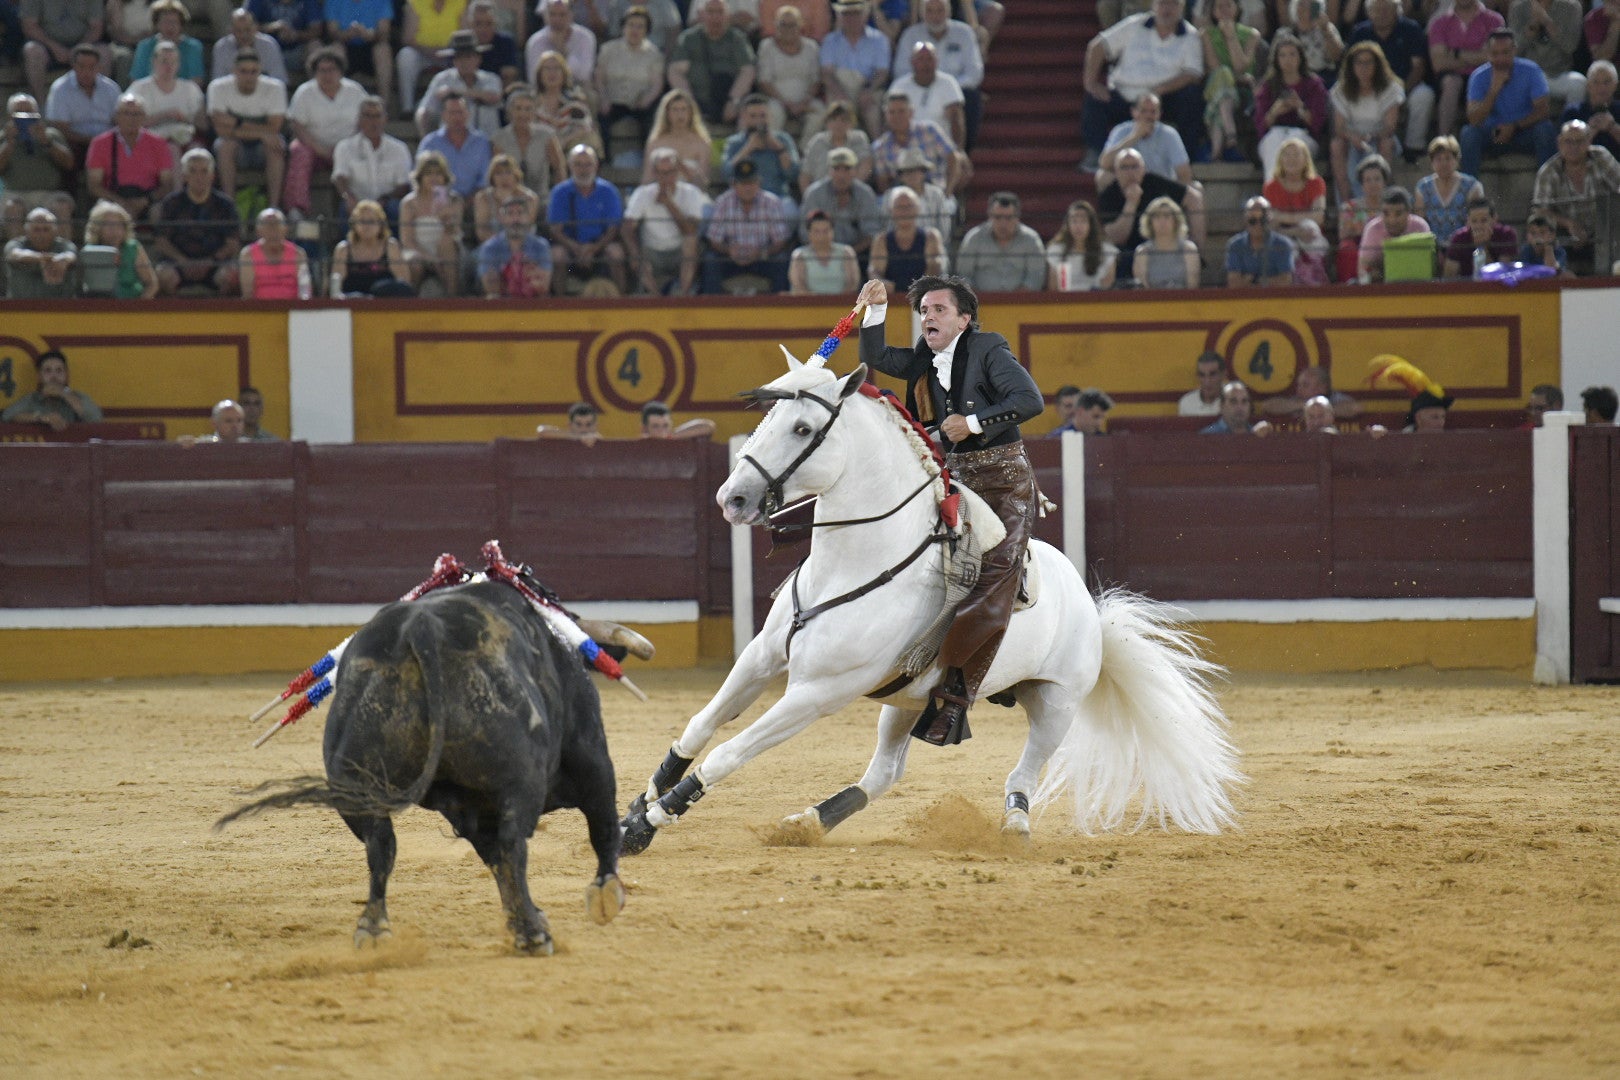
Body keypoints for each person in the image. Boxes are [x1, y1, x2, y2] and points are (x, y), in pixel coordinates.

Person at [854, 273, 1045, 746]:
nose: (928, 318)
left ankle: (955, 696)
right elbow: (876, 358)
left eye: (939, 310)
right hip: (954, 476)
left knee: (996, 571)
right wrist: (875, 310)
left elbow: (1029, 400)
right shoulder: (926, 357)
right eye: (923, 311)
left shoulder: (989, 349)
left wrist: (975, 422)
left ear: (965, 318)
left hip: (1004, 481)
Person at [1080, 0, 1205, 172]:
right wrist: (1091, 83)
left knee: (1192, 96)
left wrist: (1159, 90)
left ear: (1182, 7)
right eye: (1162, 3)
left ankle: (1186, 158)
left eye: (1173, 4)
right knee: (1095, 100)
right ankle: (1098, 153)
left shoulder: (1190, 35)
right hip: (1126, 95)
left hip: (1163, 99)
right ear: (1153, 5)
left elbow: (1193, 74)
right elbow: (1097, 47)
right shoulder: (1135, 24)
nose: (1167, 9)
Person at [1460, 28, 1557, 178]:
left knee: (1546, 129)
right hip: (1492, 134)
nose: (1500, 59)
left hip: (1523, 131)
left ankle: (1548, 189)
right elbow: (1474, 119)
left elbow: (1543, 110)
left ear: (1514, 51)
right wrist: (1493, 91)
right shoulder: (1479, 77)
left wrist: (1514, 126)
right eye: (1495, 54)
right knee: (1468, 134)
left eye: (1505, 53)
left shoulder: (1531, 70)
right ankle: (1470, 191)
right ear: (1488, 53)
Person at [285, 47, 367, 219]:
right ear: (314, 73)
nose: (327, 75)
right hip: (314, 149)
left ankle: (361, 206)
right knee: (298, 150)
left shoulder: (355, 91)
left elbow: (365, 120)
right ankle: (297, 210)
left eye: (331, 70)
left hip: (349, 148)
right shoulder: (304, 93)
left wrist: (346, 147)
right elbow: (297, 125)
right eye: (322, 70)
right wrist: (319, 148)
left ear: (340, 71)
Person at [1347, 0, 1433, 160]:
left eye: (1387, 9)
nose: (1382, 14)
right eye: (1377, 10)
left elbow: (1418, 67)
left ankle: (1413, 147)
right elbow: (1351, 67)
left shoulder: (1411, 29)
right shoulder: (1360, 32)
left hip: (1405, 86)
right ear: (1369, 13)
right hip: (1369, 89)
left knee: (1424, 95)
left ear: (1396, 11)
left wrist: (1401, 94)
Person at [894, 0, 985, 150]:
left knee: (970, 98)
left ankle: (962, 152)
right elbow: (901, 71)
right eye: (930, 11)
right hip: (917, 87)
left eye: (940, 11)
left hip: (955, 90)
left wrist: (946, 86)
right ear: (922, 14)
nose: (935, 16)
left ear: (948, 12)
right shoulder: (911, 35)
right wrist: (923, 83)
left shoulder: (964, 33)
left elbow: (974, 73)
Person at [153, 148, 242, 294]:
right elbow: (161, 240)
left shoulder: (226, 205)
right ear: (184, 176)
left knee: (230, 276)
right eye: (192, 171)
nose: (198, 176)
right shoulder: (171, 203)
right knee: (163, 276)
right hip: (178, 263)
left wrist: (210, 260)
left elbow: (233, 243)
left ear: (212, 175)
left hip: (215, 264)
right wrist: (182, 261)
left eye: (204, 171)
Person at [622, 145, 709, 295]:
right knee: (636, 254)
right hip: (651, 251)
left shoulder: (691, 193)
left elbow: (691, 230)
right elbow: (627, 228)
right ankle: (656, 297)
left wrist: (669, 204)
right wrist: (633, 252)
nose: (665, 178)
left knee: (691, 242)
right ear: (654, 173)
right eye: (661, 173)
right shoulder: (643, 193)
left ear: (677, 172)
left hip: (679, 252)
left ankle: (683, 294)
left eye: (669, 173)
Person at [1098, 146, 1204, 269]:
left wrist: (1196, 243)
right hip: (1126, 252)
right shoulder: (1108, 195)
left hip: (1159, 247)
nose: (1130, 172)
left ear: (1143, 169)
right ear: (1116, 172)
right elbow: (1116, 238)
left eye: (1134, 166)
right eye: (1124, 167)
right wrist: (1131, 204)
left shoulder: (1154, 182)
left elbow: (1194, 198)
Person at [1531, 119, 1620, 262]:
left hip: (1607, 232)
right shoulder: (1548, 172)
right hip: (1566, 237)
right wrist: (1569, 224)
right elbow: (1540, 211)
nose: (1574, 147)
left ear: (1588, 141)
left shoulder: (1602, 157)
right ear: (1559, 142)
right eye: (1568, 142)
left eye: (1579, 141)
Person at [208, 49, 288, 207]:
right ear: (234, 71)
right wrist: (261, 132)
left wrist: (234, 123)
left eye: (254, 71)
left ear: (260, 71)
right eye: (243, 71)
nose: (249, 77)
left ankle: (274, 207)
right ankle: (229, 206)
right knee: (225, 146)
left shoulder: (275, 88)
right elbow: (221, 130)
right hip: (235, 147)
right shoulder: (218, 87)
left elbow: (275, 128)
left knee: (276, 145)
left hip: (262, 148)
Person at [702, 158, 793, 294]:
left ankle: (780, 308)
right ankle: (711, 309)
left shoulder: (771, 202)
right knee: (710, 261)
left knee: (782, 260)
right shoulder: (723, 202)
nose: (748, 188)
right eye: (743, 183)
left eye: (752, 182)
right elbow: (714, 239)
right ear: (734, 184)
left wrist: (761, 252)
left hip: (762, 257)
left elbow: (780, 241)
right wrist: (729, 250)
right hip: (730, 258)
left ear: (759, 183)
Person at [547, 142, 626, 294]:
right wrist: (576, 248)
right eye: (578, 164)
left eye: (588, 164)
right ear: (570, 166)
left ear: (596, 166)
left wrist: (594, 248)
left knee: (616, 252)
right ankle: (560, 302)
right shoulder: (560, 192)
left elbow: (613, 228)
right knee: (557, 255)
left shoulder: (608, 191)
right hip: (570, 248)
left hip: (600, 247)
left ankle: (621, 299)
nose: (583, 170)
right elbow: (555, 230)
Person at [1330, 41, 1404, 203]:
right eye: (1359, 63)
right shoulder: (1341, 90)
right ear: (1351, 66)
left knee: (1386, 143)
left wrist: (1370, 136)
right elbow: (1339, 127)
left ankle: (1385, 200)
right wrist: (1354, 137)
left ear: (1377, 64)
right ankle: (1346, 204)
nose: (1364, 67)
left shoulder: (1391, 88)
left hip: (1379, 137)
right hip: (1351, 139)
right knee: (1336, 145)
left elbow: (1390, 126)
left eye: (1368, 62)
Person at [668, 0, 756, 127]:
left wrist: (734, 100)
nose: (715, 17)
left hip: (730, 99)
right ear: (702, 15)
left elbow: (747, 71)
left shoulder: (737, 38)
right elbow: (675, 71)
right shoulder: (689, 39)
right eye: (710, 12)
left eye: (720, 12)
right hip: (697, 99)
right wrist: (688, 102)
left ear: (728, 16)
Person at [1253, 31, 1328, 177]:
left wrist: (1299, 107)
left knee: (1294, 146)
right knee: (1274, 144)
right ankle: (1273, 194)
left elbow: (1318, 123)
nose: (1288, 59)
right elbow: (1260, 124)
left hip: (1303, 134)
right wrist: (1275, 111)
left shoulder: (1314, 84)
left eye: (1292, 54)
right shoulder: (1268, 86)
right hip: (1274, 134)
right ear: (1276, 59)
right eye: (1283, 55)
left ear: (1300, 57)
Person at [128, 40, 207, 174]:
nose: (169, 67)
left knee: (197, 151)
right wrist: (164, 115)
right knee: (172, 150)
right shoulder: (139, 88)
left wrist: (186, 118)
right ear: (154, 62)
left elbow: (203, 125)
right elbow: (129, 121)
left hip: (185, 137)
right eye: (164, 62)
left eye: (173, 62)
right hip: (151, 140)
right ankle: (176, 192)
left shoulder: (190, 89)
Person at [1428, 0, 1504, 139]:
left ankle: (1489, 140)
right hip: (1450, 79)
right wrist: (1477, 56)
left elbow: (1494, 56)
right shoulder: (1439, 23)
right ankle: (1443, 141)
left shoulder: (1494, 20)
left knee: (1491, 81)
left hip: (1484, 77)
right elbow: (1438, 63)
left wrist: (1455, 53)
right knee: (1451, 82)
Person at [331, 95, 414, 221]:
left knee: (396, 207)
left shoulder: (399, 148)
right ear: (359, 119)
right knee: (345, 207)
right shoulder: (345, 147)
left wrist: (384, 200)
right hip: (357, 204)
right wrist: (348, 198)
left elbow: (404, 185)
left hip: (386, 205)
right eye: (368, 116)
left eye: (377, 116)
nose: (373, 121)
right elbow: (340, 178)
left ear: (385, 119)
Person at [594, 4, 665, 147]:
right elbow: (599, 78)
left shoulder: (654, 54)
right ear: (623, 27)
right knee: (600, 122)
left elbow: (657, 84)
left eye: (640, 26)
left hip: (640, 102)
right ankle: (603, 162)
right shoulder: (608, 50)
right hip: (612, 101)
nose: (635, 30)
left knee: (651, 122)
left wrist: (646, 100)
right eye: (631, 25)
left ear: (646, 30)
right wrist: (603, 98)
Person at [1200, 0, 1261, 163]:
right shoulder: (1206, 34)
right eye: (1219, 6)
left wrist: (1231, 36)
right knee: (1221, 81)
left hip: (1242, 91)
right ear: (1213, 11)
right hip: (1218, 84)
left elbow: (1241, 65)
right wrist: (1239, 77)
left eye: (1228, 5)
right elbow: (1215, 68)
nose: (1224, 10)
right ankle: (1230, 134)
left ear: (1237, 8)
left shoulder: (1251, 34)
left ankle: (1215, 152)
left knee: (1220, 99)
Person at [870, 90, 965, 196]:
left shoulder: (929, 131)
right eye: (892, 112)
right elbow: (883, 181)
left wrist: (948, 190)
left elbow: (953, 158)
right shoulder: (880, 147)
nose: (896, 116)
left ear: (911, 113)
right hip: (903, 198)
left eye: (901, 111)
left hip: (937, 192)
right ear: (886, 115)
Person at [755, 3, 825, 143]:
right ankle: (776, 149)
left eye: (792, 25)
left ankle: (804, 151)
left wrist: (804, 101)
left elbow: (816, 80)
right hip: (777, 99)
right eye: (783, 25)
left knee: (820, 111)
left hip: (805, 100)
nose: (788, 29)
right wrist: (786, 103)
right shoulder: (767, 46)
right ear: (776, 26)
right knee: (773, 112)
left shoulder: (812, 47)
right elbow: (764, 81)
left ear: (800, 25)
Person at [820, 0, 891, 138]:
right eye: (846, 14)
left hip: (869, 86)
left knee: (873, 110)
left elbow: (882, 73)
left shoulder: (879, 40)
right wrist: (840, 95)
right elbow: (827, 74)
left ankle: (877, 148)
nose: (851, 18)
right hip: (839, 88)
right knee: (837, 110)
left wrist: (868, 90)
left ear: (865, 15)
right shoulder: (830, 41)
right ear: (840, 16)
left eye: (856, 13)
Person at [955, 190, 1049, 292]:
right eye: (998, 217)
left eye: (1008, 218)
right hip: (980, 303)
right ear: (990, 216)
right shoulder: (974, 238)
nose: (1003, 223)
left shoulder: (1031, 240)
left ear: (1017, 217)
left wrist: (1014, 300)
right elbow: (963, 275)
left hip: (1021, 304)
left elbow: (1036, 277)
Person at [399, 150, 465, 294]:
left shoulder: (455, 200)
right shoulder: (409, 203)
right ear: (420, 177)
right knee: (414, 263)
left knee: (447, 242)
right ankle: (410, 301)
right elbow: (407, 240)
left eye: (438, 173)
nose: (434, 178)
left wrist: (447, 219)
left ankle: (451, 297)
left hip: (447, 250)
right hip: (418, 251)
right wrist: (430, 259)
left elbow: (456, 233)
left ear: (445, 177)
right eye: (429, 173)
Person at [722, 93, 801, 212]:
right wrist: (748, 148)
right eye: (753, 116)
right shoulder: (734, 142)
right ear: (744, 117)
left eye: (763, 116)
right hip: (743, 200)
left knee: (790, 212)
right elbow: (727, 173)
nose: (758, 121)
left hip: (777, 197)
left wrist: (778, 148)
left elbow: (793, 174)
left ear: (769, 116)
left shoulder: (783, 140)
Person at [44, 43, 122, 165]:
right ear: (73, 66)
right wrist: (90, 141)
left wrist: (103, 141)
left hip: (108, 142)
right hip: (74, 142)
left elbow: (119, 121)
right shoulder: (60, 89)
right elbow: (59, 127)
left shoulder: (111, 88)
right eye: (81, 66)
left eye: (92, 67)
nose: (86, 72)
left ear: (99, 67)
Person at [1262, 135, 1330, 274]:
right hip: (1284, 234)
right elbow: (1271, 224)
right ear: (1280, 160)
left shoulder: (1316, 183)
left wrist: (1283, 217)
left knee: (1310, 227)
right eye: (1287, 155)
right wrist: (1295, 231)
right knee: (1284, 246)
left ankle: (1316, 278)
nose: (1291, 159)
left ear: (1306, 159)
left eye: (1297, 155)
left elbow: (1318, 217)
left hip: (1310, 235)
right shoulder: (1271, 187)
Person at [798, 145, 879, 260]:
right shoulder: (814, 194)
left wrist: (848, 254)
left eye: (847, 168)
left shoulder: (865, 194)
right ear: (829, 171)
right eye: (836, 169)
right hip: (819, 254)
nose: (841, 175)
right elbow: (805, 233)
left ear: (855, 170)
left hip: (858, 254)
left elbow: (872, 233)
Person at [21, 1, 109, 107]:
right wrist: (54, 47)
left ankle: (99, 105)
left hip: (83, 46)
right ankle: (41, 107)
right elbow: (29, 26)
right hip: (47, 47)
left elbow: (96, 27)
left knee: (104, 52)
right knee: (32, 51)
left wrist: (79, 49)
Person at [417, 29, 503, 137]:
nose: (464, 62)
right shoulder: (442, 79)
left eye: (468, 57)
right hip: (451, 143)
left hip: (487, 142)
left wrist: (455, 92)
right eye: (459, 57)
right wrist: (425, 138)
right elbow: (424, 112)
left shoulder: (490, 78)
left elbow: (494, 97)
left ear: (478, 58)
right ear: (453, 60)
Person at [1099, 91, 1194, 187]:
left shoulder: (1169, 134)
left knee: (1196, 187)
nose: (1148, 116)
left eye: (1153, 112)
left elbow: (1184, 172)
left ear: (1159, 114)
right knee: (1103, 176)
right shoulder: (1121, 131)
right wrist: (1134, 137)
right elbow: (1105, 163)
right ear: (1133, 112)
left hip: (1161, 187)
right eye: (1143, 111)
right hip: (1128, 188)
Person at [867, 185, 945, 300]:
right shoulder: (882, 240)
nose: (904, 211)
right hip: (891, 301)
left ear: (918, 209)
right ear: (891, 211)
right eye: (899, 207)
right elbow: (875, 272)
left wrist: (905, 289)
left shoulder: (931, 237)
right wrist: (882, 284)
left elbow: (934, 270)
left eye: (909, 206)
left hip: (924, 300)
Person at [395, 0, 469, 118]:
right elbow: (408, 38)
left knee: (465, 57)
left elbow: (465, 37)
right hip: (422, 52)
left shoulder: (460, 3)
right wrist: (429, 51)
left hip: (451, 55)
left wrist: (448, 51)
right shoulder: (415, 3)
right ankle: (407, 108)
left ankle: (460, 106)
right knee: (405, 55)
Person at [1508, 0, 1586, 111]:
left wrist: (1546, 21)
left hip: (1558, 74)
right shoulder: (1518, 7)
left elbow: (1570, 46)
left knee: (1579, 84)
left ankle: (1568, 124)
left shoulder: (1572, 6)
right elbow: (1515, 50)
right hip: (1528, 75)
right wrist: (1533, 25)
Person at [0, 92, 75, 206]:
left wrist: (46, 142)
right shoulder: (3, 137)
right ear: (10, 116)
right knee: (13, 209)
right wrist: (9, 144)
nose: (24, 117)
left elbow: (68, 164)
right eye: (19, 113)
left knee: (62, 207)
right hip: (14, 194)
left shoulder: (52, 135)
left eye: (29, 113)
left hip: (49, 194)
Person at [891, 42, 967, 153]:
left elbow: (956, 119)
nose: (925, 64)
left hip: (940, 147)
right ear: (912, 62)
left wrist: (958, 150)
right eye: (921, 59)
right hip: (907, 147)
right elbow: (891, 118)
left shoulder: (948, 83)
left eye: (929, 59)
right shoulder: (899, 86)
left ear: (936, 61)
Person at [1412, 134, 1485, 247]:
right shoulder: (1423, 187)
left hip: (1463, 245)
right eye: (1438, 159)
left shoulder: (1472, 186)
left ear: (1456, 160)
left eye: (1448, 158)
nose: (1443, 163)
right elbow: (1420, 224)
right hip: (1432, 246)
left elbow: (1475, 221)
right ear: (1432, 162)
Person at [417, 91, 493, 199]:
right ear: (443, 115)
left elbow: (486, 179)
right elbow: (420, 176)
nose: (457, 117)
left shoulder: (481, 142)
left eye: (460, 112)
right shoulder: (430, 143)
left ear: (468, 113)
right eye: (452, 113)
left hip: (474, 202)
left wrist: (467, 203)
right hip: (437, 201)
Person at [0, 350, 103, 430]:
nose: (54, 376)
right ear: (39, 376)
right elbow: (7, 417)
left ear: (67, 375)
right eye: (48, 371)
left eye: (59, 371)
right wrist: (42, 418)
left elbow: (96, 419)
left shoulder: (78, 397)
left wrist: (64, 394)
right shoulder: (32, 399)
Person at [329, 197, 411, 295]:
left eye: (371, 221)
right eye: (362, 221)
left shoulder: (391, 247)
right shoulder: (343, 249)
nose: (366, 226)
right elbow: (336, 289)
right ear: (354, 224)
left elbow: (404, 284)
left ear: (381, 224)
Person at [478, 194, 554, 297]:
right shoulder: (490, 247)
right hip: (501, 305)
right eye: (510, 214)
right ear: (502, 218)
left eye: (520, 213)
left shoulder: (541, 245)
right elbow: (491, 288)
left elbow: (544, 287)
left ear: (528, 217)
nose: (515, 219)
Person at [325, 0, 395, 111]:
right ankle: (334, 106)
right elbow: (332, 32)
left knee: (383, 49)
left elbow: (384, 33)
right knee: (336, 49)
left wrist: (370, 34)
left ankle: (383, 106)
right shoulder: (334, 1)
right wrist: (347, 34)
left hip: (371, 48)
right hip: (346, 47)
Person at [83, 199, 160, 298]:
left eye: (119, 225)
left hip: (132, 305)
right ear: (97, 228)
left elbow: (152, 284)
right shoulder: (90, 250)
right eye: (108, 225)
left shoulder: (133, 248)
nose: (115, 230)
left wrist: (140, 306)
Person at [531, 49, 600, 157]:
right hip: (540, 150)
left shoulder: (574, 99)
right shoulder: (532, 101)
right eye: (547, 68)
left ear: (564, 73)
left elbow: (583, 128)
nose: (551, 73)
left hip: (569, 148)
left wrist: (561, 143)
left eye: (556, 68)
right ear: (540, 74)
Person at [641, 87, 713, 189]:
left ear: (691, 112)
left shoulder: (702, 143)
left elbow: (702, 183)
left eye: (684, 109)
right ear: (667, 113)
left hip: (692, 197)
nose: (680, 114)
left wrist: (681, 166)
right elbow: (647, 180)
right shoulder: (655, 143)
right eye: (675, 109)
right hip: (662, 194)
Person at [798, 99, 871, 196]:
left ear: (851, 123)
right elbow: (805, 175)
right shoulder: (817, 142)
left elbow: (866, 165)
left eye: (843, 120)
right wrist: (809, 198)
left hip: (852, 196)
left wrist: (848, 189)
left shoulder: (859, 139)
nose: (838, 124)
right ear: (827, 122)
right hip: (820, 197)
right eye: (834, 119)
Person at [1357, 185, 1429, 282]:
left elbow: (1427, 265)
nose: (1392, 220)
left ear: (1408, 212)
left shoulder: (1420, 226)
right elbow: (1362, 270)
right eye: (1386, 214)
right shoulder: (1372, 229)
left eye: (1398, 214)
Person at [4, 206, 76, 298]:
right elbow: (15, 254)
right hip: (19, 308)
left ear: (55, 230)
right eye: (36, 229)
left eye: (46, 229)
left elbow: (71, 255)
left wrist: (61, 261)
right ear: (26, 230)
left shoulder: (65, 245)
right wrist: (43, 259)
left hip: (61, 308)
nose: (41, 234)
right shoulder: (15, 244)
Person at [1047, 199, 1118, 292]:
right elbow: (1054, 287)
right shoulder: (1056, 251)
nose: (1078, 226)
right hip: (1066, 303)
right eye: (1074, 221)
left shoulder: (1106, 251)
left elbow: (1108, 284)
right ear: (1067, 225)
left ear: (1091, 225)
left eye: (1083, 221)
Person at [239, 206, 311, 297]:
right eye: (268, 225)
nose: (273, 230)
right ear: (258, 230)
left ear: (285, 229)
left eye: (277, 224)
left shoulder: (298, 254)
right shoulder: (247, 254)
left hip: (292, 308)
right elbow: (248, 293)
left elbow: (305, 290)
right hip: (260, 309)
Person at [129, 0, 207, 83]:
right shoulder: (145, 46)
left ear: (181, 24)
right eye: (165, 22)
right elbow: (136, 80)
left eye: (174, 22)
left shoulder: (193, 47)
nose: (170, 26)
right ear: (156, 24)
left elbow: (196, 80)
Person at [1225, 195, 1295, 286]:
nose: (1258, 225)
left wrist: (1251, 280)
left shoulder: (1283, 245)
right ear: (1245, 220)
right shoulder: (1235, 245)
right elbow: (1234, 283)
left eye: (1263, 221)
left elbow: (1285, 281)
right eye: (1253, 221)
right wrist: (1268, 281)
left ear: (1270, 220)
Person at [1132, 195, 1200, 288]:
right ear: (1150, 222)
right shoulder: (1142, 252)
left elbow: (1192, 285)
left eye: (1167, 216)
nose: (1162, 221)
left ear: (1176, 221)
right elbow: (1142, 288)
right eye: (1157, 216)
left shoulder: (1189, 249)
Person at [1440, 195, 1517, 278]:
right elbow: (1449, 276)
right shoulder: (1459, 238)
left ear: (1494, 219)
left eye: (1483, 220)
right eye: (1474, 221)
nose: (1478, 226)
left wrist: (1482, 247)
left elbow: (1502, 275)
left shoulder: (1506, 234)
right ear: (1468, 221)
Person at [524, 0, 596, 86]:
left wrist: (562, 49)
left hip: (576, 90)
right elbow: (533, 78)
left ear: (571, 15)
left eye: (562, 15)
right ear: (545, 16)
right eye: (552, 14)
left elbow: (584, 75)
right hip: (544, 92)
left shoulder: (585, 37)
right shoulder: (536, 41)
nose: (557, 20)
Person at [788, 208, 859, 294]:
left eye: (826, 231)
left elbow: (852, 283)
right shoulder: (799, 255)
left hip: (842, 305)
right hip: (809, 305)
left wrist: (836, 302)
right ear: (809, 233)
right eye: (817, 231)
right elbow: (799, 285)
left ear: (833, 231)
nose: (821, 236)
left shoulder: (846, 253)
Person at [473, 153, 540, 242]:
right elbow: (481, 232)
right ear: (492, 177)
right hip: (492, 248)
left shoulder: (530, 198)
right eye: (498, 173)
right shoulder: (483, 198)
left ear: (516, 174)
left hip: (524, 247)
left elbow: (527, 228)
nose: (504, 177)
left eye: (508, 172)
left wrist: (509, 200)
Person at [250, 0, 324, 79]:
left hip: (297, 52)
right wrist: (271, 28)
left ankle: (318, 87)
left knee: (315, 45)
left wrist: (295, 35)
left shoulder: (309, 2)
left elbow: (316, 30)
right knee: (248, 43)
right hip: (265, 52)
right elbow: (244, 26)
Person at [213, 6, 288, 83]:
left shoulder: (269, 45)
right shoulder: (221, 47)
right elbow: (218, 81)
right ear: (231, 31)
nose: (243, 35)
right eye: (238, 31)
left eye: (247, 29)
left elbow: (279, 80)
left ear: (255, 28)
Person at [1258, 364, 1359, 419]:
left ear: (1322, 388)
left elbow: (1355, 408)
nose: (1299, 389)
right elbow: (1267, 406)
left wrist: (1320, 409)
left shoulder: (1335, 398)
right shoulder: (1297, 400)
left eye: (1305, 385)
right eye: (1299, 385)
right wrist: (1305, 405)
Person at [1563, 60, 1619, 158]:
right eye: (1596, 82)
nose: (1602, 87)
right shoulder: (1573, 112)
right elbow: (1564, 151)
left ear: (1615, 85)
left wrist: (1612, 127)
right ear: (1588, 86)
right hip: (1585, 168)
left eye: (1607, 82)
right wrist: (1588, 131)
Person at [1201, 380, 1272, 433]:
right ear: (1221, 406)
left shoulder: (1256, 434)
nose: (1239, 407)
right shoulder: (1208, 436)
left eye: (1244, 401)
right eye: (1233, 401)